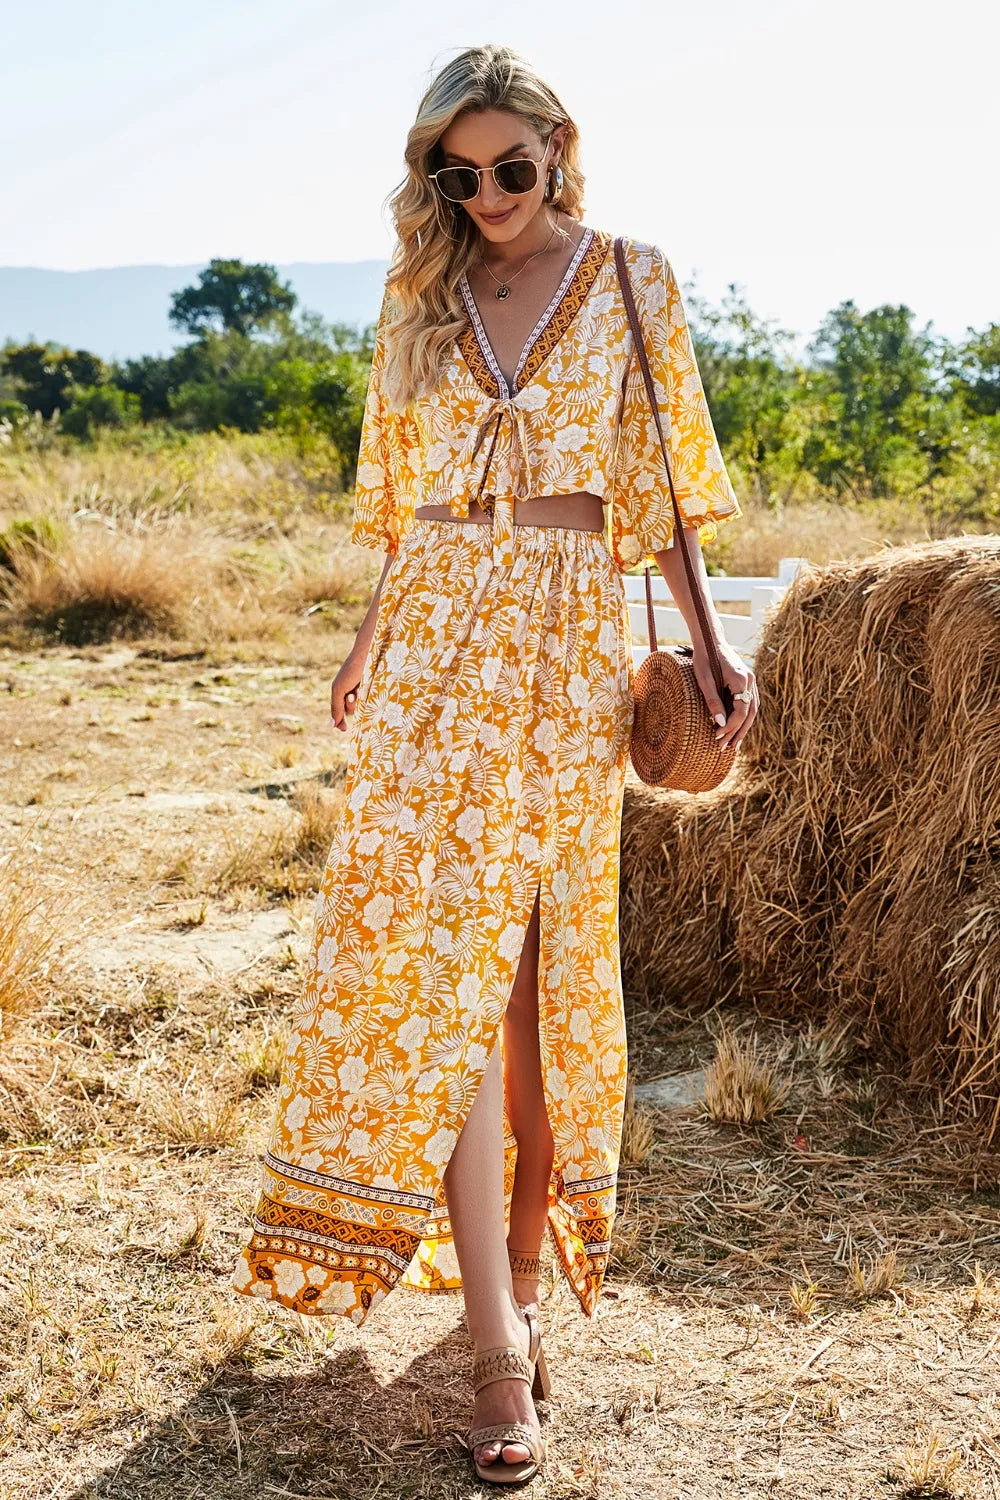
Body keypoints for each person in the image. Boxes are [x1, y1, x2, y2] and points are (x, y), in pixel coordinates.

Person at [233, 42, 758, 1485]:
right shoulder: (423, 297)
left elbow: (665, 496)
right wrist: (365, 641)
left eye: (508, 169)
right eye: (453, 177)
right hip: (432, 656)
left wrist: (713, 647)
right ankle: (493, 1347)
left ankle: (522, 1272)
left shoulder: (635, 281)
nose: (486, 196)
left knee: (533, 975)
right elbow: (405, 511)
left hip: (564, 648)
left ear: (558, 147)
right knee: (445, 979)